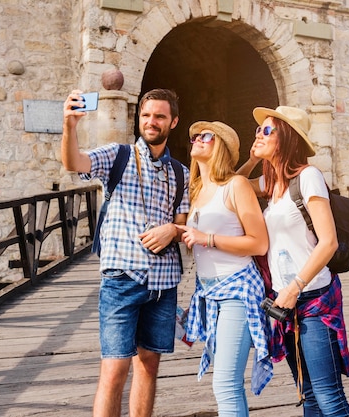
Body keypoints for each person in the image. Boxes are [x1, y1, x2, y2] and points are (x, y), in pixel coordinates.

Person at [61, 88, 190, 417]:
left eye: (160, 116)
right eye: (146, 115)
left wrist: (172, 230)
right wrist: (70, 126)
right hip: (122, 279)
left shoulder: (181, 173)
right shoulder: (117, 156)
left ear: (172, 121)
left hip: (163, 284)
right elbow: (74, 163)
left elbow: (182, 223)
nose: (151, 122)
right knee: (115, 370)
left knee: (148, 366)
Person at [237, 106, 349, 416]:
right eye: (258, 130)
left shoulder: (309, 177)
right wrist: (252, 159)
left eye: (266, 130)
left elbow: (328, 241)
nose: (258, 134)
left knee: (329, 397)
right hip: (285, 303)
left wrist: (295, 287)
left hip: (313, 298)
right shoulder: (271, 184)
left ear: (286, 137)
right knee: (309, 395)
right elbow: (232, 188)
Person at [177, 121, 272, 416]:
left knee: (226, 384)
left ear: (221, 147)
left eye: (207, 136)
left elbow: (259, 244)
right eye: (195, 136)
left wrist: (208, 238)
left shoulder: (237, 186)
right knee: (227, 385)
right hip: (208, 293)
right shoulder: (196, 190)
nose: (198, 140)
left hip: (238, 290)